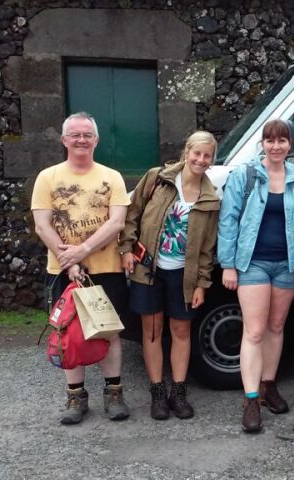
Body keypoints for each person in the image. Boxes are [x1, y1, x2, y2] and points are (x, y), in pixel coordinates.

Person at [31, 112, 131, 425]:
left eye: (87, 135)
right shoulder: (47, 178)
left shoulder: (112, 177)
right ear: (64, 140)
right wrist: (70, 262)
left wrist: (83, 250)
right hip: (62, 270)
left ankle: (114, 393)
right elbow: (42, 225)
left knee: (109, 332)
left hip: (106, 268)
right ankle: (76, 396)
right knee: (68, 333)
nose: (81, 140)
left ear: (96, 140)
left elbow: (117, 222)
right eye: (75, 134)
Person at [217, 119, 294, 433]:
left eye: (282, 141)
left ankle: (269, 384)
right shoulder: (245, 175)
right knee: (255, 330)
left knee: (276, 327)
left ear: (289, 145)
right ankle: (251, 399)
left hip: (287, 263)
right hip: (252, 263)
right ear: (263, 143)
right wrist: (228, 264)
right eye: (270, 140)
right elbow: (228, 220)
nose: (276, 146)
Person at [119, 131, 220, 421]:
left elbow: (207, 248)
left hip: (184, 275)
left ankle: (178, 391)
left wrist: (202, 284)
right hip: (149, 269)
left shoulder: (211, 199)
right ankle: (157, 392)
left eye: (207, 155)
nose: (201, 160)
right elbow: (132, 214)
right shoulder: (158, 179)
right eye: (197, 153)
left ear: (212, 160)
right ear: (186, 152)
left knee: (181, 331)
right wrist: (126, 248)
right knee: (152, 331)